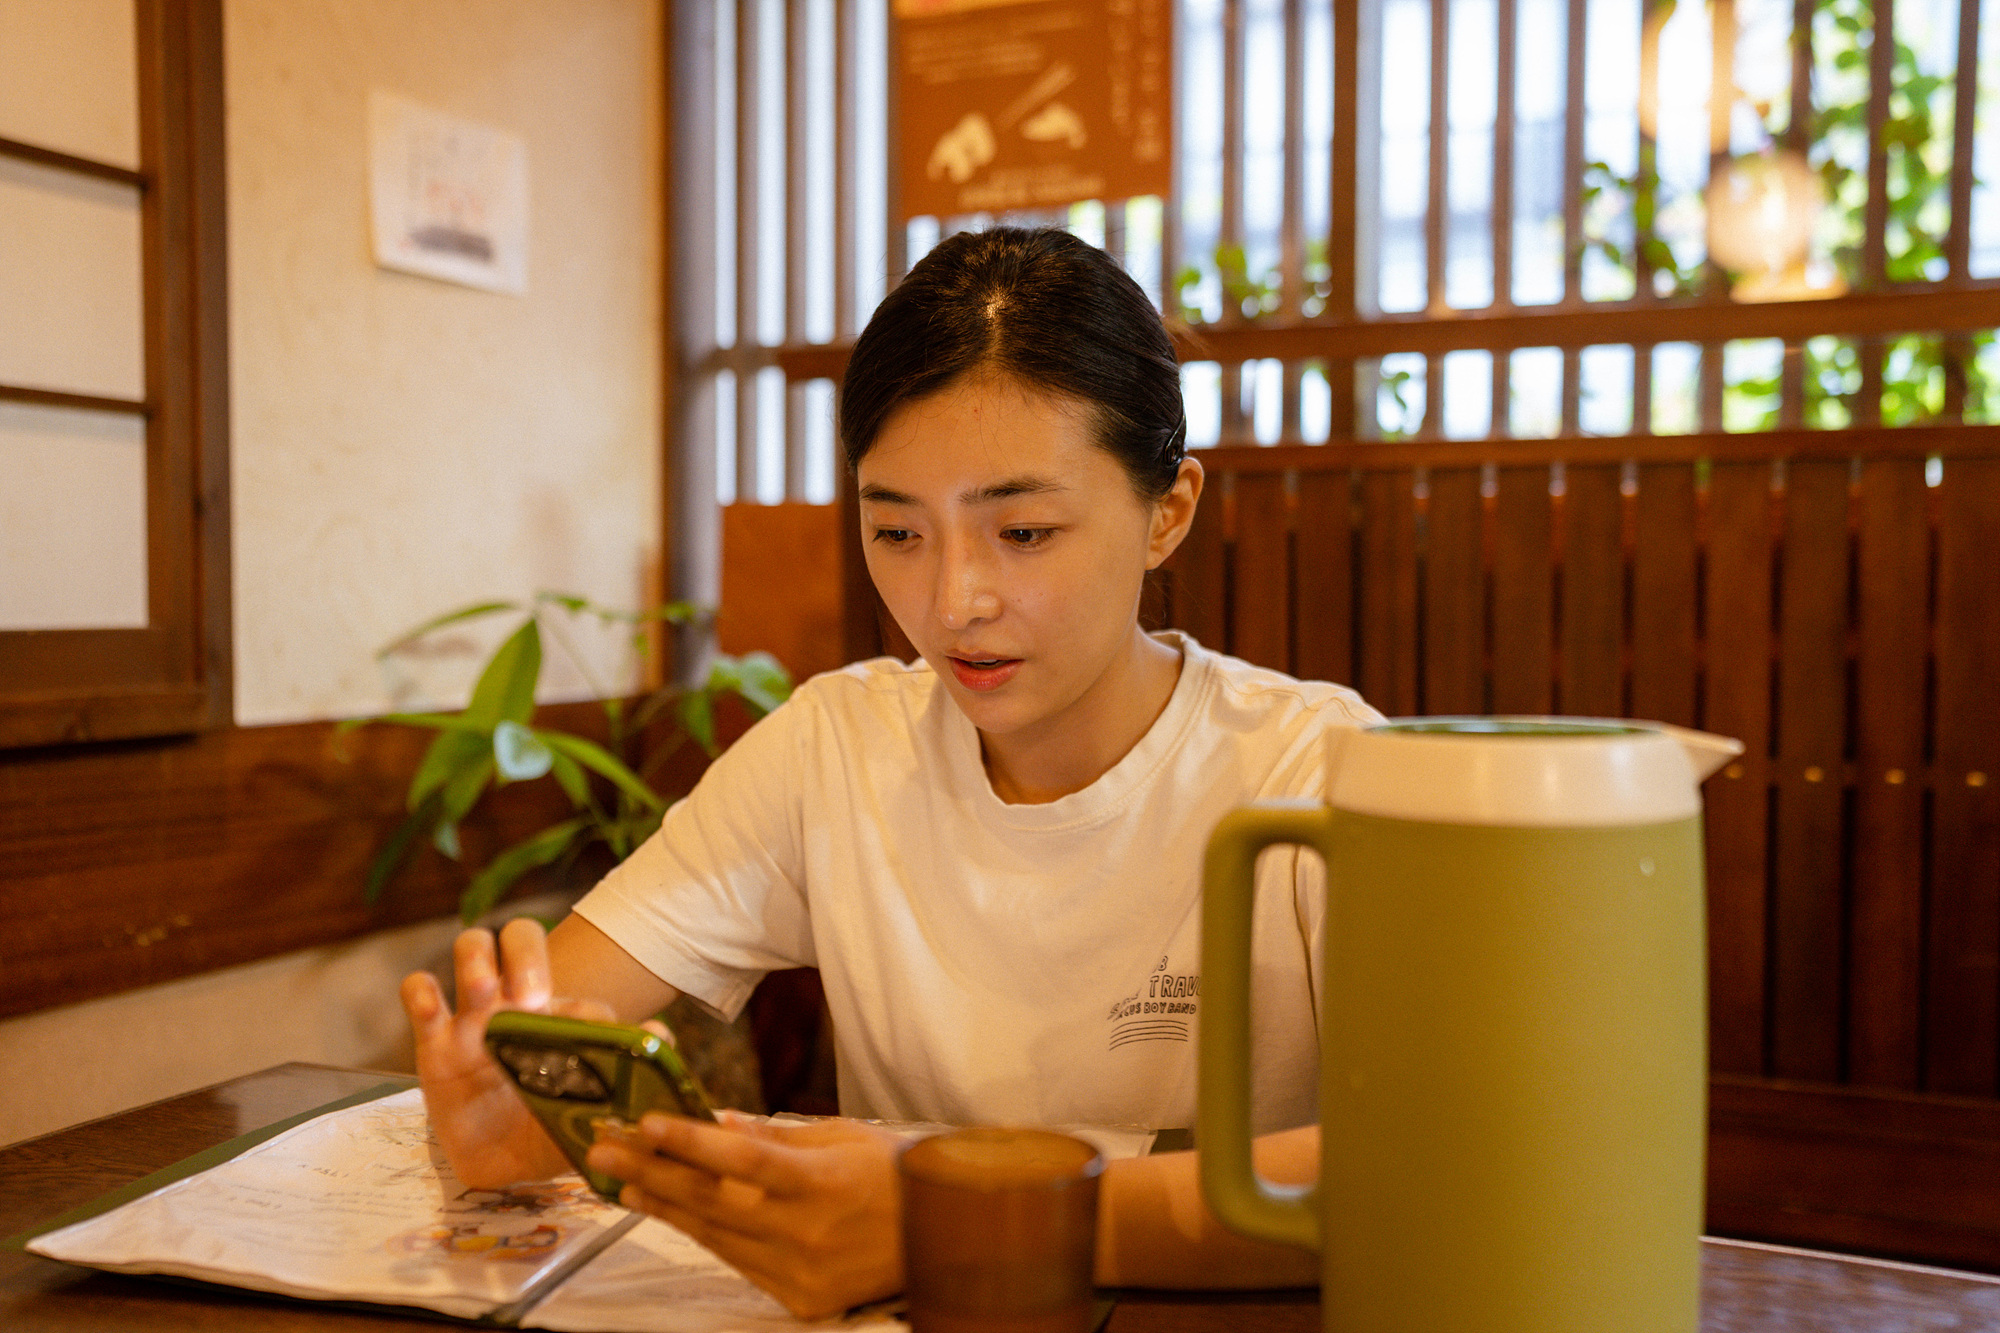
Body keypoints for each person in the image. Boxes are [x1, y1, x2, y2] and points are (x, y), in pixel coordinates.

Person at [401, 227, 1382, 1318]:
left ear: (1169, 511)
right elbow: (559, 1011)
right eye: (898, 532)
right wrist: (507, 1105)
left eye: (1022, 530)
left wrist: (952, 1219)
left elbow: (1433, 1161)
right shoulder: (833, 749)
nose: (953, 601)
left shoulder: (1322, 770)